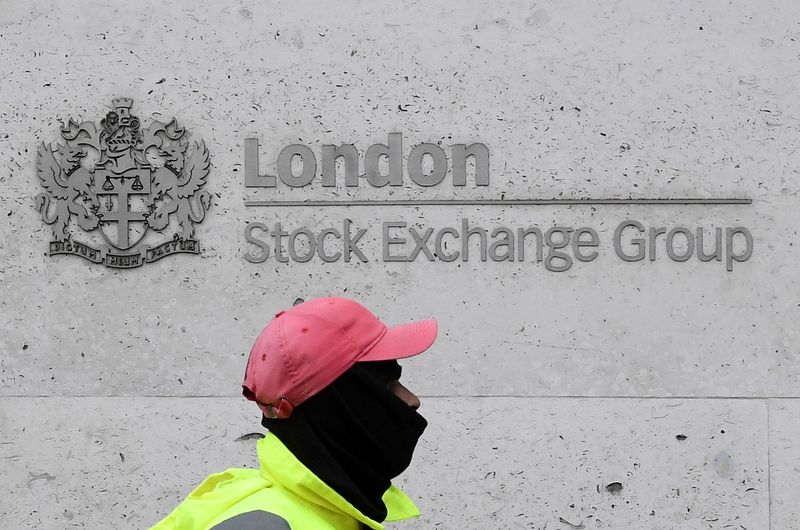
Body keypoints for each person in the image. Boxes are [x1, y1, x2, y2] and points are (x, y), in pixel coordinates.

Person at [150, 297, 438, 530]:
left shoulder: (329, 515)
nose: (412, 401)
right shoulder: (266, 525)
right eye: (389, 385)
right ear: (337, 410)